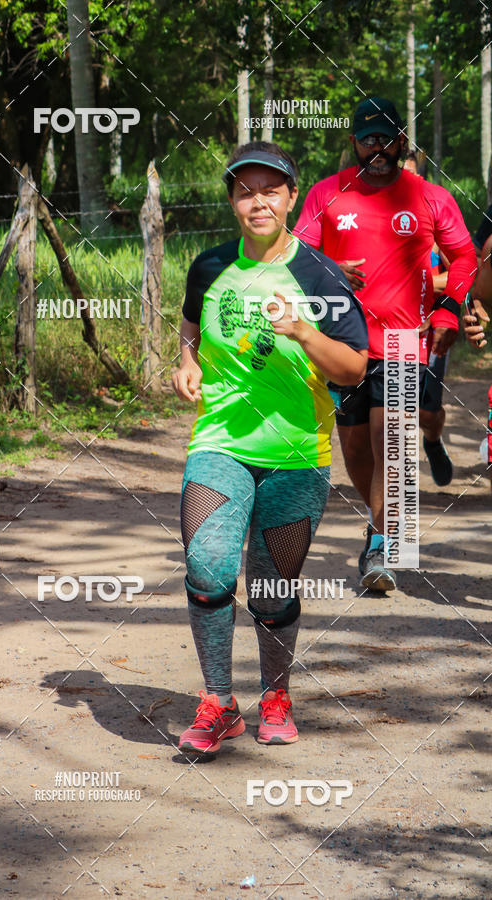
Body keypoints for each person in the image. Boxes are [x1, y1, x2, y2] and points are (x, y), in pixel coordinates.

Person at [172, 141, 368, 753]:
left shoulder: (322, 276)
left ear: (290, 196)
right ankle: (219, 702)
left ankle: (276, 694)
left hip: (295, 456)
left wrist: (304, 331)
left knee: (272, 587)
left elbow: (354, 370)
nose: (257, 200)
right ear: (233, 200)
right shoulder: (208, 267)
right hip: (219, 443)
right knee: (206, 566)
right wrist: (185, 361)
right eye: (244, 190)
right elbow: (189, 322)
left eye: (270, 189)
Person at [293, 96, 477, 592]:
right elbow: (294, 255)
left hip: (404, 339)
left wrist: (448, 308)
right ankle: (380, 522)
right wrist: (329, 271)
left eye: (386, 138)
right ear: (353, 142)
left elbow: (464, 258)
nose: (377, 147)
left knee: (389, 440)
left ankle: (381, 542)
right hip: (343, 340)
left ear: (402, 142)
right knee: (354, 445)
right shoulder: (325, 194)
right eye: (368, 138)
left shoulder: (430, 196)